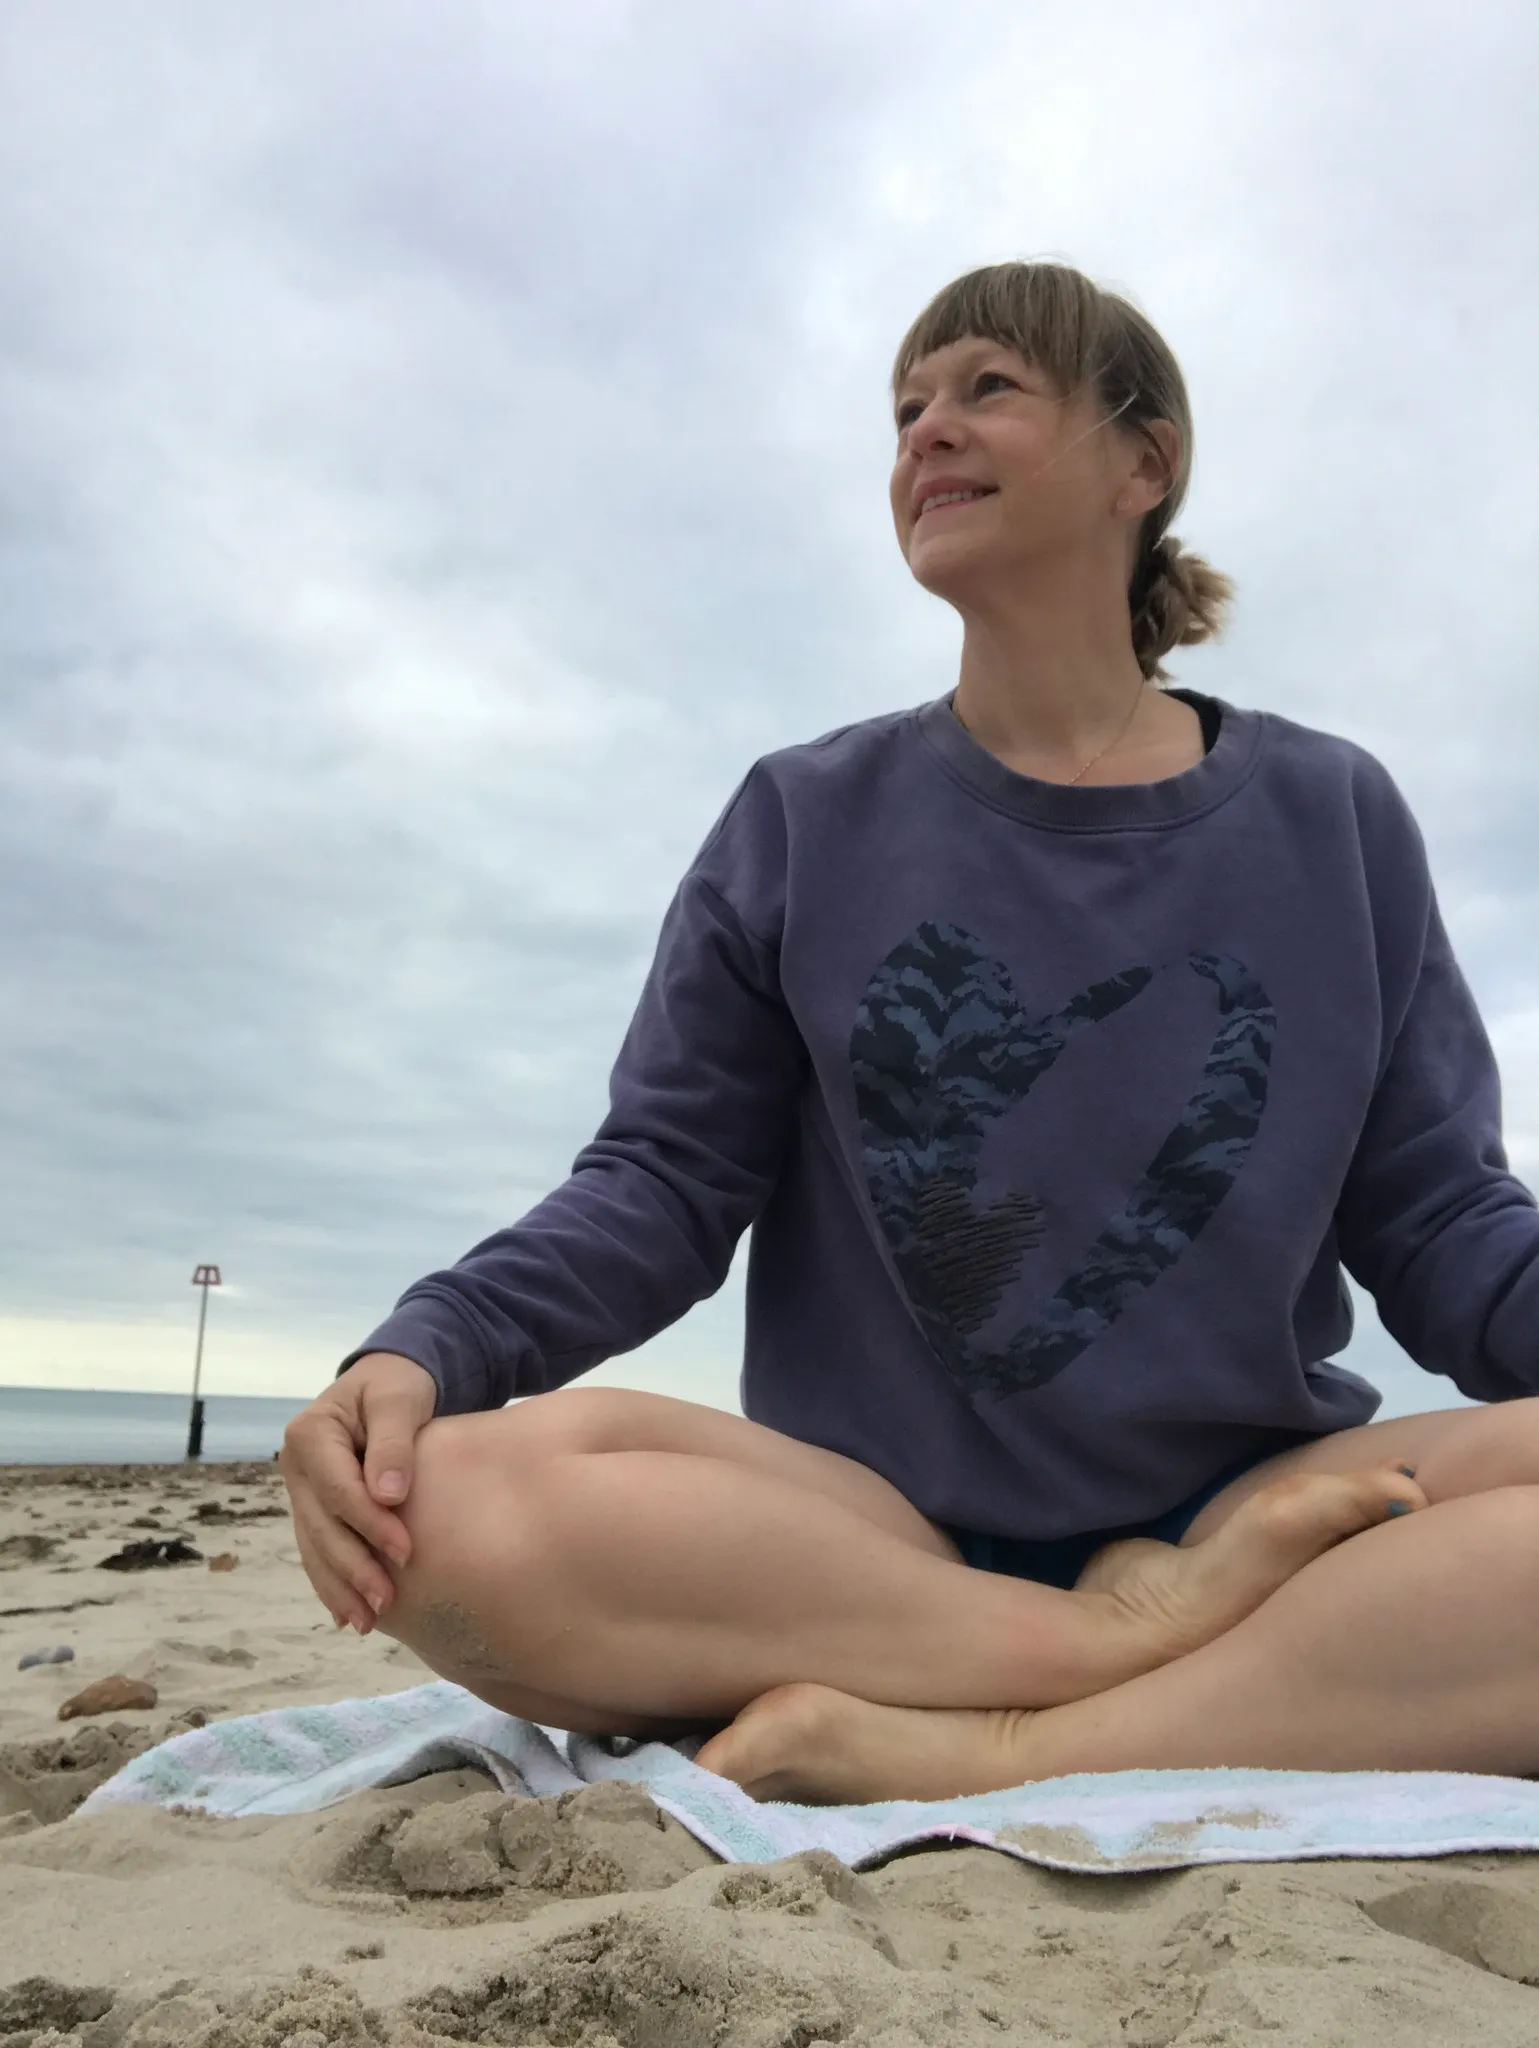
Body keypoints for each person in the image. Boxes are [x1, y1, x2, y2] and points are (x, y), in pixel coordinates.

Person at [281, 260, 1539, 1804]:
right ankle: (1096, 1654)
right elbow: (664, 1181)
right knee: (439, 1506)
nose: (925, 432)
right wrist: (430, 1344)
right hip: (868, 1543)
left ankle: (1014, 1739)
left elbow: (1436, 1214)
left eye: (985, 387)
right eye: (904, 407)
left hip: (1251, 1514)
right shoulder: (803, 816)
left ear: (1142, 464)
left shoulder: (1328, 813)